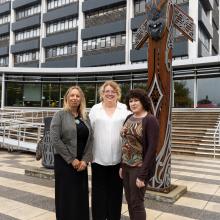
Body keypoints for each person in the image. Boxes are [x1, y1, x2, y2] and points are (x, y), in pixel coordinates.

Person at [89, 80, 130, 220]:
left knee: (116, 193)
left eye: (113, 91)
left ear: (117, 93)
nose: (110, 94)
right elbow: (89, 132)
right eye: (107, 91)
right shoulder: (95, 109)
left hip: (118, 159)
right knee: (98, 192)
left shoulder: (124, 109)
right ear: (102, 94)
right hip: (98, 158)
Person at [50, 86, 93, 220]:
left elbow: (91, 139)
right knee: (66, 196)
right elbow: (55, 139)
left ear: (81, 99)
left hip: (81, 164)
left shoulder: (85, 117)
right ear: (67, 98)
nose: (74, 98)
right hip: (65, 163)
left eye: (77, 96)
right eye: (72, 95)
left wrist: (85, 160)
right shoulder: (60, 115)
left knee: (80, 195)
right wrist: (71, 159)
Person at [120, 88, 159, 220]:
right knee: (130, 202)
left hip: (139, 167)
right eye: (131, 101)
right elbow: (125, 143)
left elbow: (152, 149)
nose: (133, 103)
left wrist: (142, 175)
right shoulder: (129, 117)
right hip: (126, 166)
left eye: (136, 100)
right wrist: (121, 165)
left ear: (143, 102)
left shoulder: (150, 120)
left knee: (137, 203)